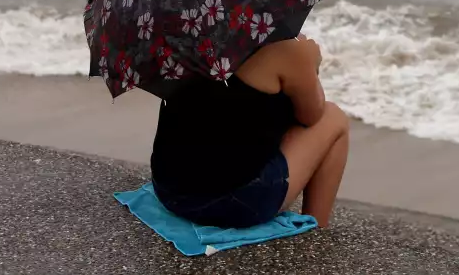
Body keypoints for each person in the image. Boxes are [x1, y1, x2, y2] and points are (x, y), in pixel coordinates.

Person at [150, 34, 350, 229]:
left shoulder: (187, 32)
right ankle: (315, 232)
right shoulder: (286, 48)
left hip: (168, 188)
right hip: (231, 204)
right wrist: (310, 64)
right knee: (334, 118)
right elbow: (312, 115)